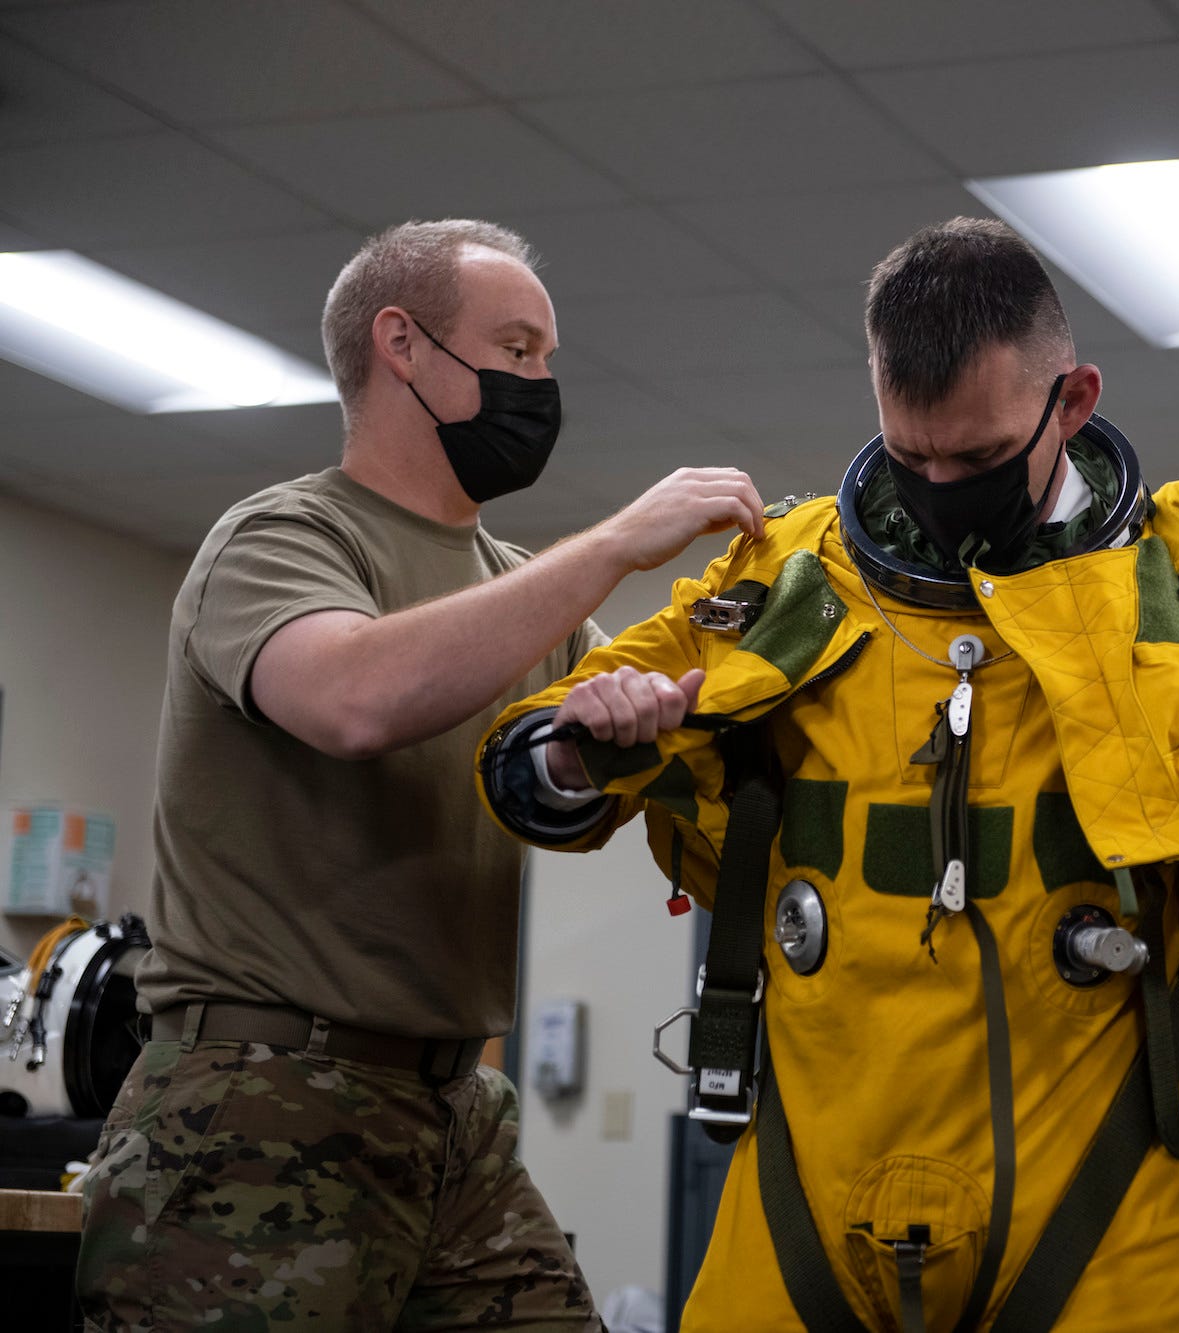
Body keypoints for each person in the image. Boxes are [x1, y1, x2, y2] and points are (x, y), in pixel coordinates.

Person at [475, 217, 1179, 1331]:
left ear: (1072, 399)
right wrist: (580, 742)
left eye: (979, 459)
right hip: (798, 1206)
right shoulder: (786, 574)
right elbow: (531, 758)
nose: (941, 485)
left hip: (1103, 1213)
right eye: (911, 455)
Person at [76, 219, 766, 1330]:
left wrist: (603, 740)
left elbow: (556, 798)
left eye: (548, 357)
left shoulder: (528, 596)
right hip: (260, 1097)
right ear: (402, 344)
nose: (542, 382)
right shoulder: (279, 538)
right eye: (517, 347)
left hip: (454, 1106)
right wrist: (616, 543)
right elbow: (353, 699)